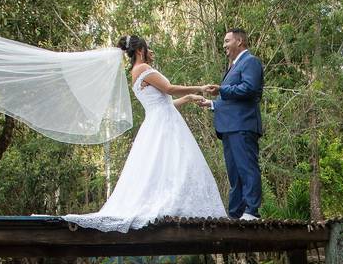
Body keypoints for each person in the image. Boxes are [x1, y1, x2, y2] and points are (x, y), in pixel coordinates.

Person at [64, 35, 228, 232]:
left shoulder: (135, 72)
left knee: (165, 165)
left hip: (159, 120)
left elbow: (164, 104)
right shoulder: (143, 69)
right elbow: (169, 89)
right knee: (176, 163)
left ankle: (176, 205)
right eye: (148, 48)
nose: (152, 52)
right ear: (140, 51)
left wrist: (188, 98)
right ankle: (172, 207)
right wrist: (200, 87)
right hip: (163, 125)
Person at [198, 29, 264, 220]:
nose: (224, 45)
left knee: (247, 168)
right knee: (234, 174)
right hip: (228, 127)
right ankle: (236, 214)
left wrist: (221, 89)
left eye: (227, 41)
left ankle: (251, 211)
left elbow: (250, 88)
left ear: (240, 41)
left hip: (243, 126)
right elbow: (232, 99)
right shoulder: (233, 66)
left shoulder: (250, 62)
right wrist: (211, 103)